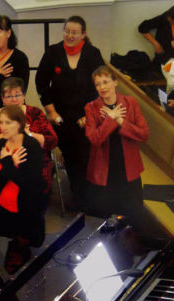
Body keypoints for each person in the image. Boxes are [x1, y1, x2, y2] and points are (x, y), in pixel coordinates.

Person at [36, 15, 104, 207]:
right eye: (67, 31)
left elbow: (100, 86)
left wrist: (89, 115)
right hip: (59, 115)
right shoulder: (53, 52)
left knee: (83, 157)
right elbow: (41, 83)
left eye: (74, 32)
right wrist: (51, 111)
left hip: (85, 116)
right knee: (61, 152)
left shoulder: (92, 53)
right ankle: (49, 191)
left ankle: (83, 200)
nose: (70, 35)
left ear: (83, 34)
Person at [0, 78, 58, 230]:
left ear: (23, 96)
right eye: (9, 96)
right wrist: (6, 132)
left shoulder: (35, 114)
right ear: (2, 99)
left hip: (32, 171)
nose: (14, 99)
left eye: (18, 95)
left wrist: (30, 134)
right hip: (2, 171)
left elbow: (52, 140)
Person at [84, 66, 149, 222]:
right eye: (98, 84)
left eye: (106, 82)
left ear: (116, 82)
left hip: (128, 167)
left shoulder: (131, 103)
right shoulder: (91, 107)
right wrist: (110, 119)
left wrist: (119, 120)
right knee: (104, 215)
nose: (102, 87)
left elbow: (143, 134)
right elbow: (94, 139)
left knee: (134, 213)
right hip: (104, 168)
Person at [0, 105, 47, 273]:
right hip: (4, 209)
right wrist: (12, 165)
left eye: (8, 122)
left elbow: (30, 185)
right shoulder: (0, 145)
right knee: (5, 263)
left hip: (27, 211)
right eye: (1, 123)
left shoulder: (31, 146)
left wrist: (9, 164)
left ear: (20, 124)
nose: (3, 127)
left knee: (27, 266)